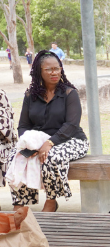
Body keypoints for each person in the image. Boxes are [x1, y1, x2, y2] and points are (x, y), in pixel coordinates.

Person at [10, 50, 88, 212]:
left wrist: (50, 143)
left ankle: (51, 200)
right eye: (49, 69)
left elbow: (72, 125)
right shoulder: (30, 95)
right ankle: (20, 203)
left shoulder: (69, 93)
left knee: (50, 157)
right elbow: (23, 125)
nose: (54, 72)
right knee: (17, 156)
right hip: (39, 140)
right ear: (39, 71)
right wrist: (29, 144)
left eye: (57, 68)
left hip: (71, 140)